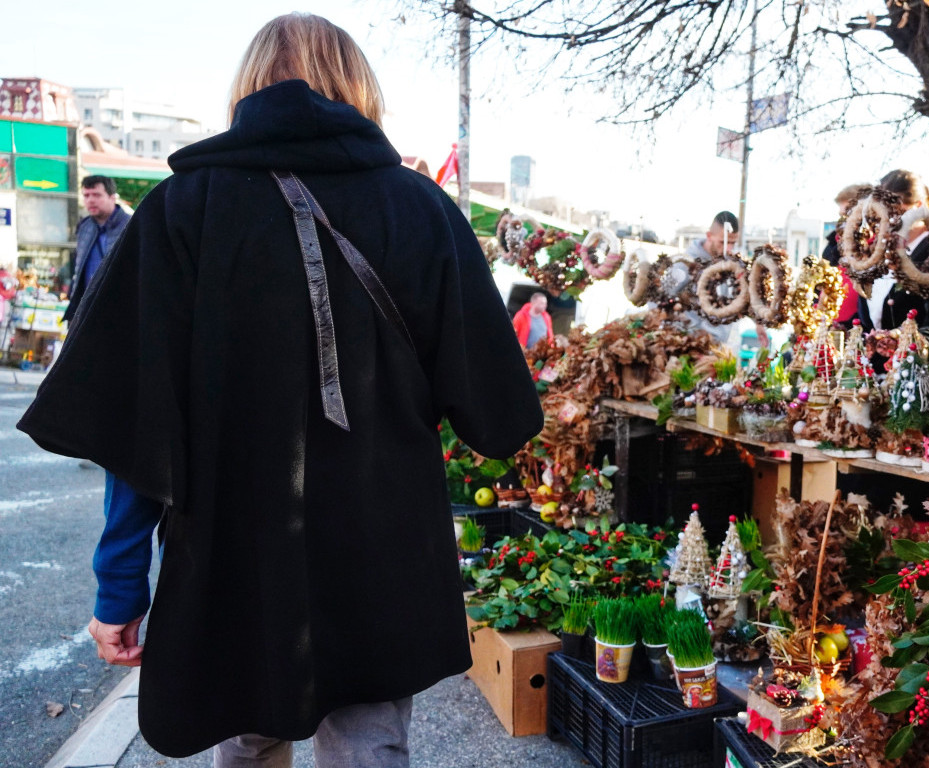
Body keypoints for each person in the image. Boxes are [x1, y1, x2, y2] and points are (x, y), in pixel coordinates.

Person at [18, 13, 543, 767]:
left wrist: (120, 586)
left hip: (237, 552)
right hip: (384, 549)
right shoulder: (421, 209)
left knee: (248, 733)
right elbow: (496, 416)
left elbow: (136, 426)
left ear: (248, 87)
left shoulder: (182, 210)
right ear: (359, 87)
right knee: (370, 746)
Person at [857, 169, 929, 368]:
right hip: (876, 374)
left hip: (922, 375)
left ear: (918, 207)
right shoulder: (878, 254)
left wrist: (917, 345)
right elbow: (870, 317)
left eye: (894, 211)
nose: (886, 219)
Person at [674, 210, 769, 348]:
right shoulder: (685, 264)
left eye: (732, 243)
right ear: (709, 236)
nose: (728, 248)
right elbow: (660, 300)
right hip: (692, 344)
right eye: (723, 242)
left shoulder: (731, 264)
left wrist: (758, 323)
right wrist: (683, 335)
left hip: (722, 344)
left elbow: (742, 297)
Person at [65, 175, 131, 322]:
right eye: (86, 195)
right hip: (85, 307)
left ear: (112, 197)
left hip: (118, 308)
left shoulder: (130, 225)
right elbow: (79, 268)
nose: (90, 200)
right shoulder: (85, 226)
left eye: (96, 195)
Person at [821, 183, 871, 329]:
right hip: (831, 325)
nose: (843, 222)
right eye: (841, 216)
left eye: (847, 215)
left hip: (860, 328)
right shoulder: (833, 246)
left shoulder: (876, 249)